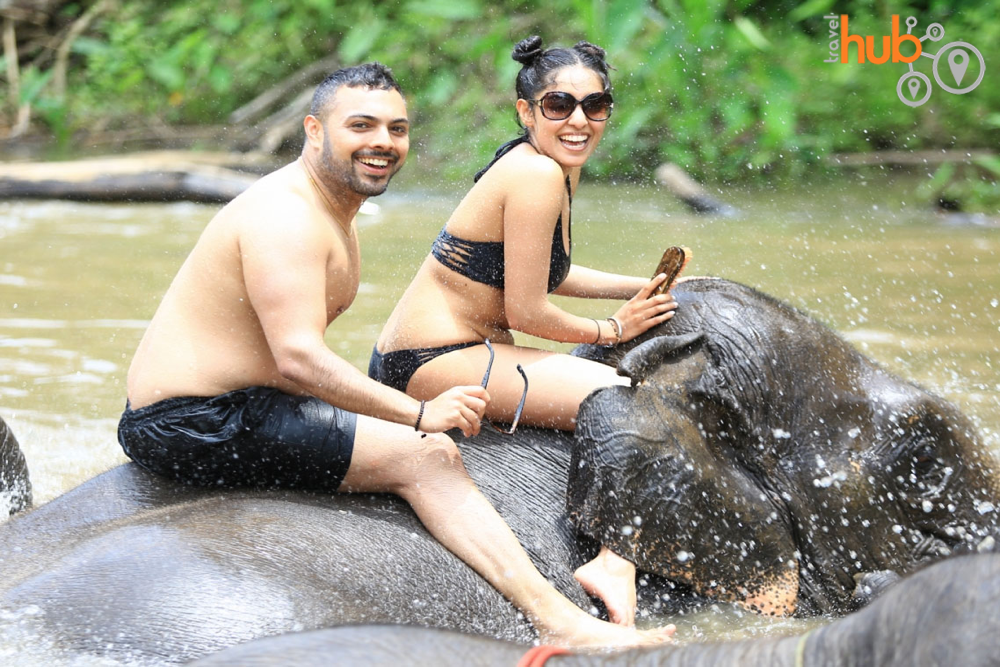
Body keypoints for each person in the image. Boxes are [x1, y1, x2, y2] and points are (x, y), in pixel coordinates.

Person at [118, 62, 673, 648]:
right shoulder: (288, 218)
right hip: (196, 421)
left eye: (397, 129)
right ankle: (559, 621)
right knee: (429, 457)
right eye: (361, 125)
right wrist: (417, 416)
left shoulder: (331, 207)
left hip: (245, 403)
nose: (382, 142)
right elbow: (299, 359)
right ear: (314, 130)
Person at [370, 38, 683, 627]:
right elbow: (528, 312)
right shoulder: (537, 174)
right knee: (630, 402)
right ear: (526, 110)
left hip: (450, 350)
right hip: (433, 358)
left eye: (595, 106)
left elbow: (546, 272)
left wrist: (635, 286)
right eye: (559, 105)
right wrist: (615, 327)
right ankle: (615, 560)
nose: (578, 121)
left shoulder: (548, 168)